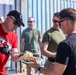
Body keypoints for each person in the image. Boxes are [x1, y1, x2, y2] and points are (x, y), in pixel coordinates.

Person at [28, 8, 76, 75]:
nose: (59, 25)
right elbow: (43, 50)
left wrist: (38, 68)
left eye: (59, 22)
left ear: (66, 22)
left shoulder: (65, 44)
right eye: (55, 21)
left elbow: (56, 73)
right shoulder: (48, 33)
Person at [0, 10, 25, 75]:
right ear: (8, 18)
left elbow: (14, 56)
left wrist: (23, 57)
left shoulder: (14, 36)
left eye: (18, 25)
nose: (16, 26)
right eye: (15, 22)